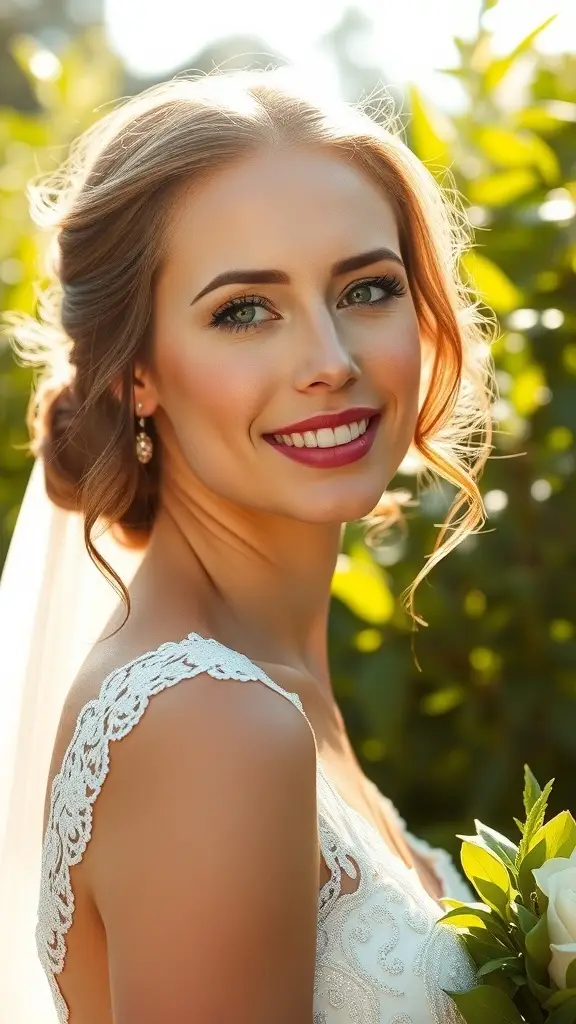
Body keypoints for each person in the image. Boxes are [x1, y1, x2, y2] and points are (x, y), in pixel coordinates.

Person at [0, 67, 494, 1023]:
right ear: (137, 372)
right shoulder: (210, 726)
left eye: (367, 289)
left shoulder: (259, 688)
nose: (330, 362)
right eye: (244, 310)